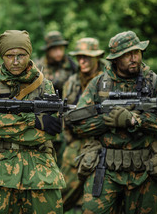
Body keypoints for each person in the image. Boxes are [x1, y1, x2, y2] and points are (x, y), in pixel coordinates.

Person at [64, 31, 157, 213]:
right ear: (115, 59)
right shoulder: (98, 84)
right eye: (127, 54)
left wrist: (135, 120)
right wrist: (109, 121)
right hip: (104, 168)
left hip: (145, 170)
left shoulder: (156, 83)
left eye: (136, 52)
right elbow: (79, 124)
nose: (133, 58)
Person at [0, 30, 66, 213]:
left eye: (21, 55)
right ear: (2, 56)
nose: (15, 61)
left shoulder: (44, 86)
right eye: (9, 56)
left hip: (41, 170)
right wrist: (33, 120)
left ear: (29, 54)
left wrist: (9, 126)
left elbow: (50, 131)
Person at [60, 37, 107, 212]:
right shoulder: (71, 82)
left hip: (103, 144)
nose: (82, 61)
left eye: (87, 57)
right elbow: (66, 114)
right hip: (77, 143)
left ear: (96, 57)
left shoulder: (108, 79)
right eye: (79, 57)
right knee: (61, 195)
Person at [35, 30, 77, 167]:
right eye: (54, 49)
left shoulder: (71, 66)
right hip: (45, 119)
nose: (58, 52)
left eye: (61, 48)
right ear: (48, 50)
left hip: (67, 118)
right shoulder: (38, 67)